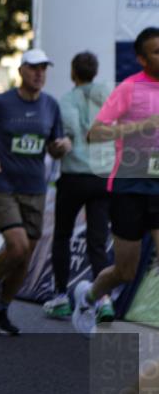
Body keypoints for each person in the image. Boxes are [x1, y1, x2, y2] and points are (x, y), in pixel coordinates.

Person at [0, 49, 72, 335]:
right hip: (2, 183)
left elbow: (54, 145)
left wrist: (61, 147)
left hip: (35, 187)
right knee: (17, 245)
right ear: (21, 71)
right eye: (33, 68)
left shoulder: (50, 106)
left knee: (25, 255)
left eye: (43, 68)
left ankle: (1, 308)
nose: (39, 74)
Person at [73, 27, 159, 335]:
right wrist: (137, 128)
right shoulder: (129, 89)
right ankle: (88, 296)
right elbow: (94, 133)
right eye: (156, 52)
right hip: (130, 186)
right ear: (141, 58)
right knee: (126, 269)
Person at [44, 51, 114, 319]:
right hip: (102, 176)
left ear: (73, 72)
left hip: (73, 176)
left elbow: (63, 140)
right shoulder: (108, 97)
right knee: (97, 241)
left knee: (62, 234)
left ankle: (61, 295)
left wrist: (59, 147)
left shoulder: (65, 100)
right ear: (95, 72)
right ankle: (103, 298)